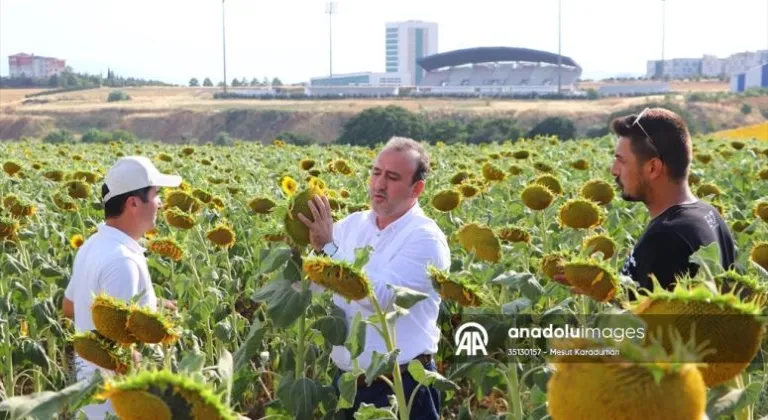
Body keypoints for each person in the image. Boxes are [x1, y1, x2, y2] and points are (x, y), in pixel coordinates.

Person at [299, 136, 450, 419]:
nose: (379, 184)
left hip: (403, 387)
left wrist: (327, 249)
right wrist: (298, 246)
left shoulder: (425, 239)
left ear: (416, 188)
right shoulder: (351, 226)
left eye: (392, 177)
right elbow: (312, 286)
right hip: (348, 385)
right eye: (376, 173)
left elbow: (383, 301)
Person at [561, 107, 736, 299]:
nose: (614, 170)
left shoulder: (665, 237)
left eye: (621, 161)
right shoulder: (709, 214)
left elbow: (644, 324)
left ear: (653, 168)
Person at [62, 156, 181, 419]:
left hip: (91, 397)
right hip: (120, 405)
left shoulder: (92, 245)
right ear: (134, 203)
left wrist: (150, 307)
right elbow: (124, 355)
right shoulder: (122, 260)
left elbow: (70, 307)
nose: (161, 203)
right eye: (156, 195)